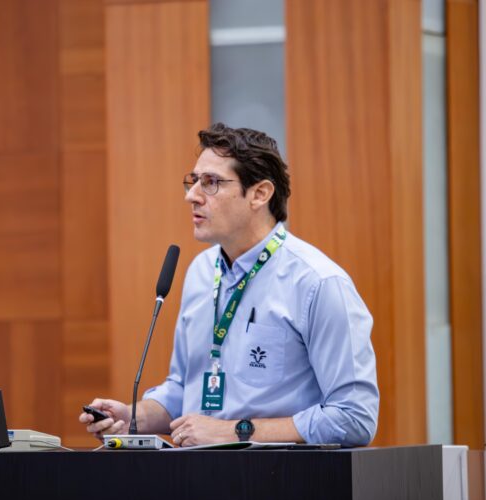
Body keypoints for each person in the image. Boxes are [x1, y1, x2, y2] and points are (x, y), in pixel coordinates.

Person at [79, 123, 379, 447]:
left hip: (280, 475)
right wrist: (131, 417)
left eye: (211, 183)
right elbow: (185, 389)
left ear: (260, 194)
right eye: (194, 181)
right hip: (196, 475)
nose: (191, 196)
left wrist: (236, 431)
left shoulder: (317, 283)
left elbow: (354, 417)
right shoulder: (200, 272)